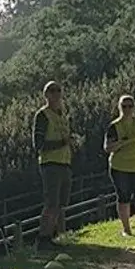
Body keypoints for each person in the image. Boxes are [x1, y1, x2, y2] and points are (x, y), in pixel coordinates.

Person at [34, 81, 78, 248]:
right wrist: (62, 142)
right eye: (51, 91)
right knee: (51, 203)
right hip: (50, 163)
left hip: (65, 162)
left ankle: (58, 236)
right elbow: (38, 144)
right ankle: (43, 238)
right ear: (46, 95)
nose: (56, 94)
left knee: (61, 205)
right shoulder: (43, 116)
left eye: (58, 90)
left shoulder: (62, 116)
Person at [105, 94, 135, 236]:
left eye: (130, 106)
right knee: (123, 197)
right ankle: (126, 229)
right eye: (124, 106)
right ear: (119, 107)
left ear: (134, 107)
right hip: (120, 167)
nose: (127, 109)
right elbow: (107, 148)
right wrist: (122, 143)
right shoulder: (114, 126)